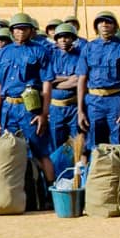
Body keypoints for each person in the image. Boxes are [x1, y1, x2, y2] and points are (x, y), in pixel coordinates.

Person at [0, 13, 56, 185]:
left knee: (41, 152)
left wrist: (44, 114)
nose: (20, 32)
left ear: (31, 31)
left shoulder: (40, 51)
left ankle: (50, 193)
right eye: (17, 28)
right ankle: (15, 191)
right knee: (9, 152)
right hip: (8, 108)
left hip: (30, 108)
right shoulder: (4, 52)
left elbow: (47, 84)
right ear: (11, 31)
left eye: (24, 28)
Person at [81, 11, 120, 150]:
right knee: (94, 141)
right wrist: (80, 111)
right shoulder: (88, 47)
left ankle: (118, 170)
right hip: (94, 100)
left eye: (108, 22)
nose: (104, 25)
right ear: (96, 27)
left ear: (115, 26)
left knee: (117, 140)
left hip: (116, 99)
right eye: (101, 22)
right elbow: (82, 79)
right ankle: (96, 170)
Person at [43, 21, 86, 158]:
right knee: (55, 143)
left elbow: (78, 80)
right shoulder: (50, 56)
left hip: (73, 107)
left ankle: (77, 174)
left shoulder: (80, 55)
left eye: (67, 37)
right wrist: (66, 79)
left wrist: (56, 81)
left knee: (77, 143)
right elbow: (48, 79)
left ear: (73, 38)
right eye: (60, 37)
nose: (63, 40)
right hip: (55, 108)